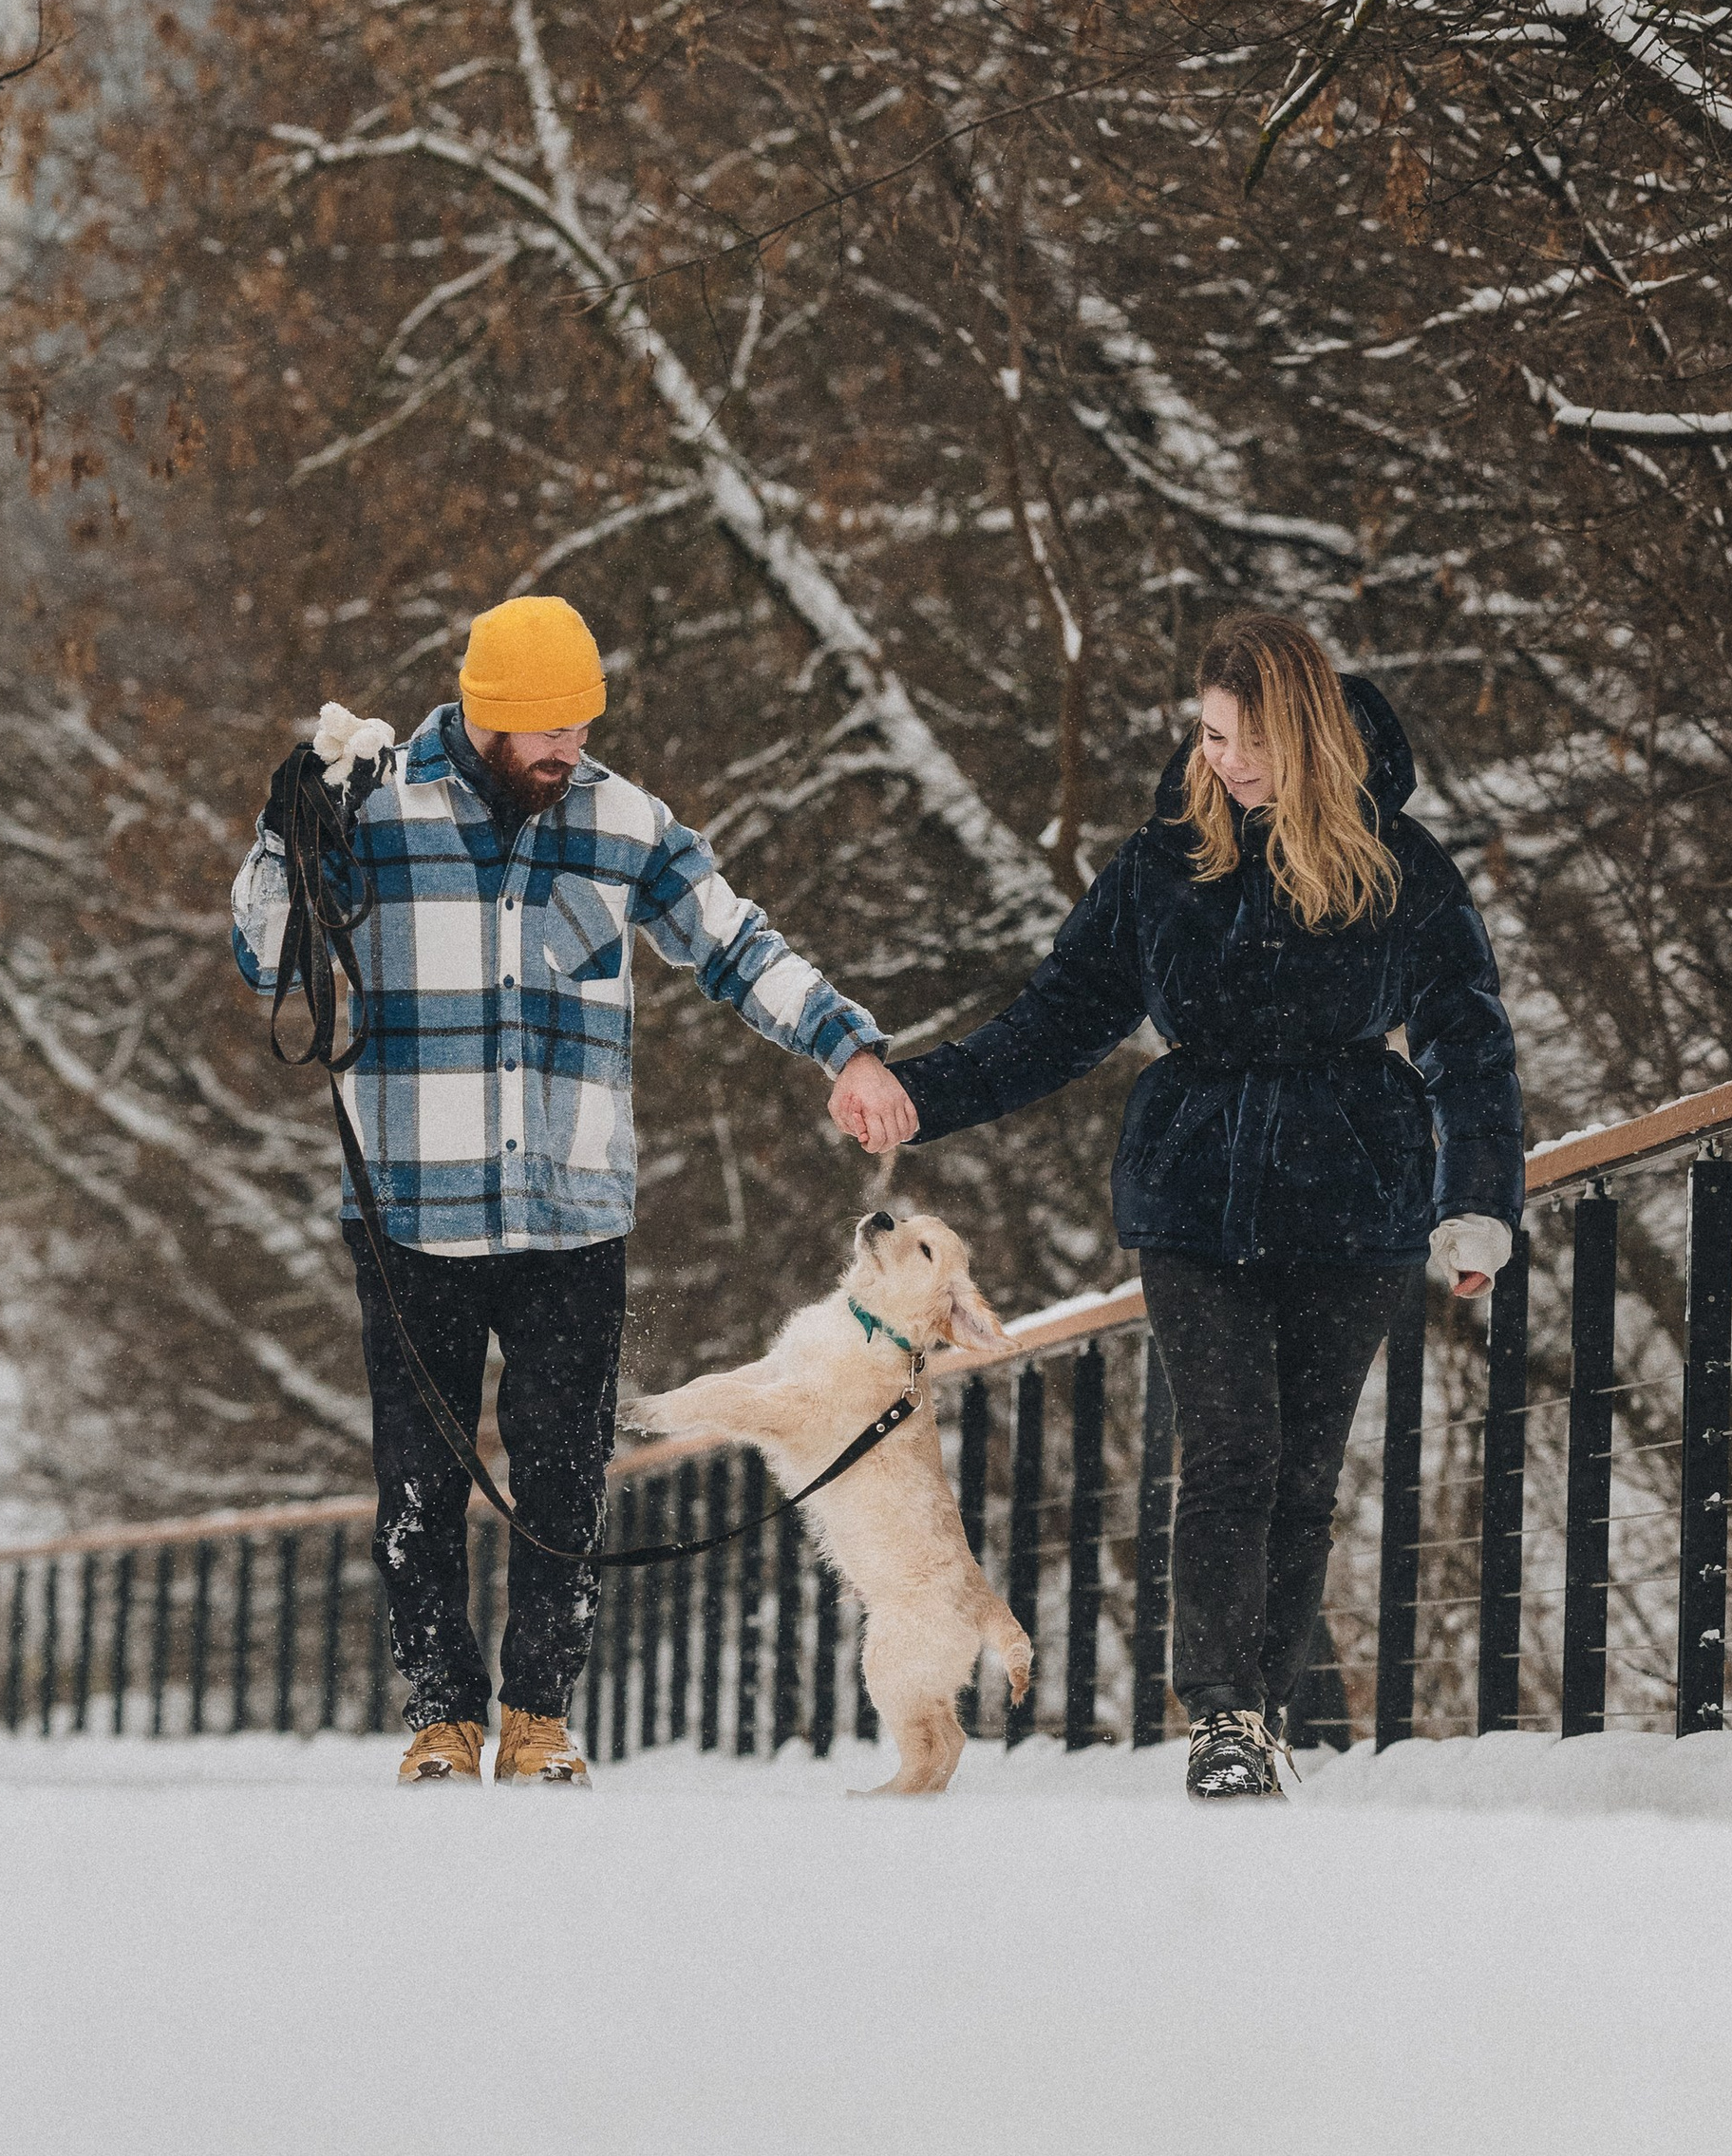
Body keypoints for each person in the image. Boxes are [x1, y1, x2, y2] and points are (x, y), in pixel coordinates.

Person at [231, 593, 913, 1787]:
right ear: (487, 721)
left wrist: (844, 1046)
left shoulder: (620, 821)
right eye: (544, 734)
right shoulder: (379, 804)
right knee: (417, 1480)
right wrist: (296, 827)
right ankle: (440, 1717)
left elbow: (733, 939)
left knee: (566, 1472)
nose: (567, 754)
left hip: (571, 1213)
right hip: (411, 1208)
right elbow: (259, 949)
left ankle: (540, 1717)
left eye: (579, 730)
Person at [888, 609, 1523, 1800]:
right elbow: (1058, 1016)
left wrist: (1477, 1201)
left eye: (1249, 741)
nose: (1224, 762)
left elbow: (1467, 1039)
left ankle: (1266, 1706)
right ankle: (1222, 1716)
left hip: (1356, 1203)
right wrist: (919, 1096)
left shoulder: (1402, 865)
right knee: (1230, 1448)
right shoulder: (1163, 863)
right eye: (1210, 734)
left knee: (1302, 1476)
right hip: (1198, 1196)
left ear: (1312, 737)